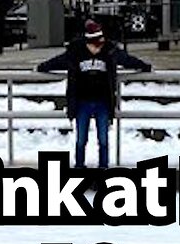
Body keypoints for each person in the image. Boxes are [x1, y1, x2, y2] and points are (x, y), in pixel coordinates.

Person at [36, 20, 151, 170]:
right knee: (81, 140)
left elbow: (127, 60)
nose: (100, 46)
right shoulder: (76, 51)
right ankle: (79, 167)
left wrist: (144, 66)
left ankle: (103, 168)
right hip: (82, 101)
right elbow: (58, 61)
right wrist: (42, 67)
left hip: (103, 102)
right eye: (97, 43)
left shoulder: (110, 51)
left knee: (103, 139)